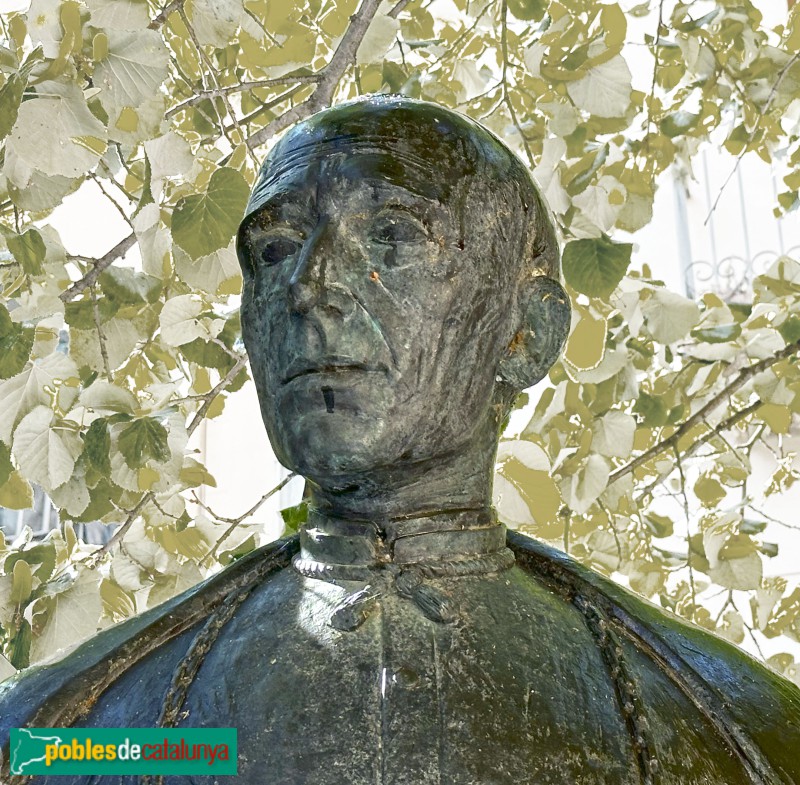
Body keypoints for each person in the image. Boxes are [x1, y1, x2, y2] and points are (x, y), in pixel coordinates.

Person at [1, 96, 799, 785]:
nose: (310, 288)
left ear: (527, 331)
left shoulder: (741, 729)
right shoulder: (74, 732)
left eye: (392, 238)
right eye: (275, 250)